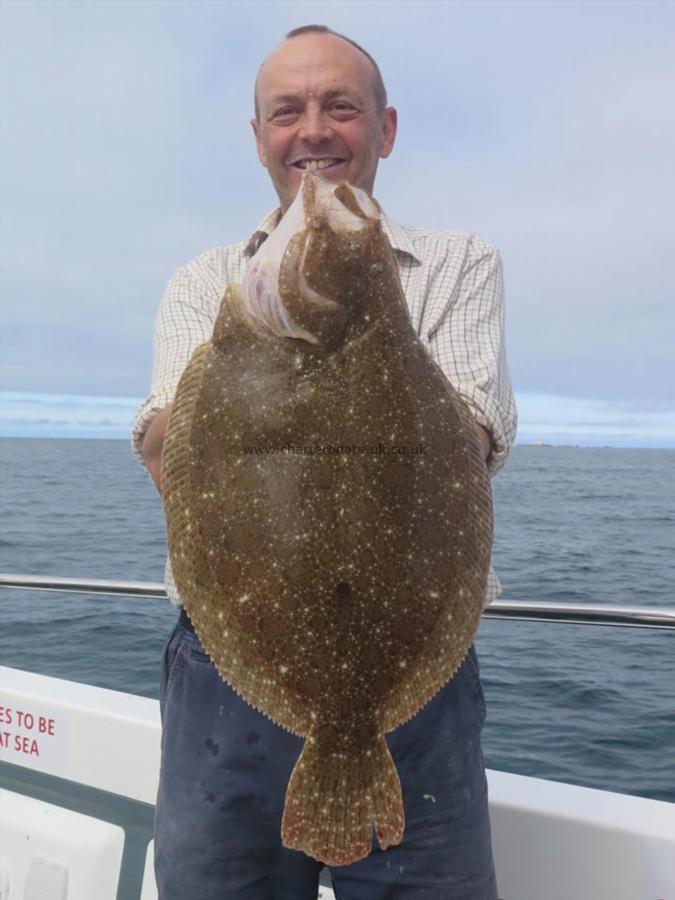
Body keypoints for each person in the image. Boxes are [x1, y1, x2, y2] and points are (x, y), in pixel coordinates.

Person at [132, 24, 517, 900]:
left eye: (339, 107)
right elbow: (163, 445)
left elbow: (476, 436)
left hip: (415, 679)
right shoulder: (204, 281)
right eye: (286, 111)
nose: (312, 130)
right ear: (260, 135)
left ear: (382, 128)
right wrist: (243, 359)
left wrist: (357, 341)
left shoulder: (459, 261)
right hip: (223, 672)